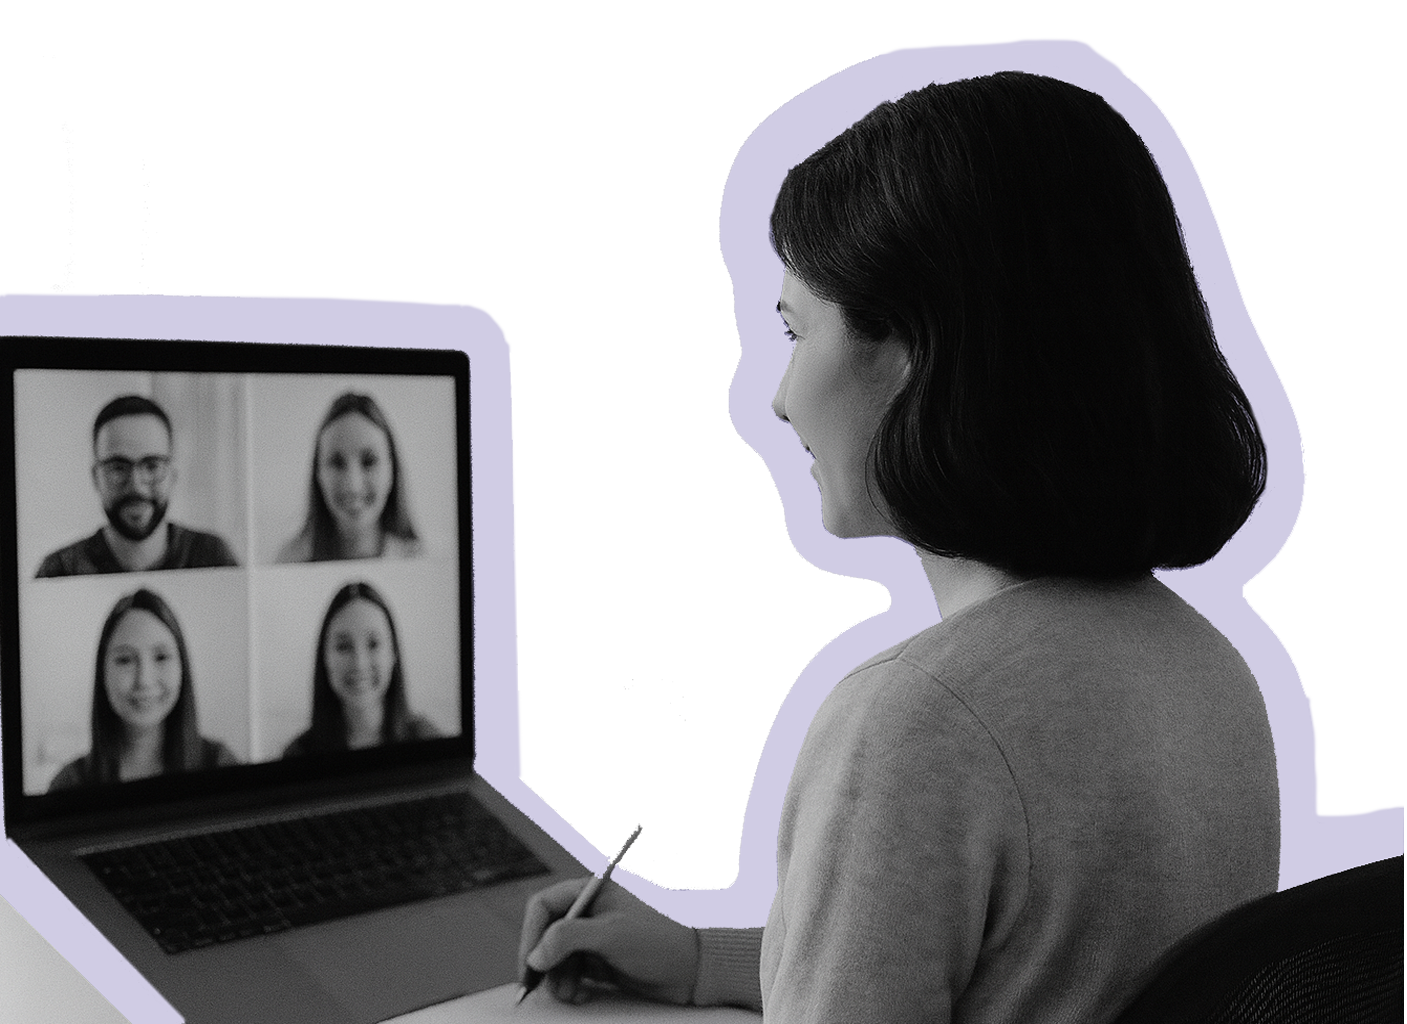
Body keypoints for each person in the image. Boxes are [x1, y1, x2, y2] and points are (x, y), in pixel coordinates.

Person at [517, 72, 1280, 1021]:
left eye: (796, 331)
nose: (780, 395)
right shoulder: (1205, 673)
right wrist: (703, 958)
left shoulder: (916, 725)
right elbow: (1015, 966)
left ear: (917, 348)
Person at [49, 588, 239, 790]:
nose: (144, 681)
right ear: (102, 673)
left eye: (161, 657)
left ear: (182, 667)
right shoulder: (69, 783)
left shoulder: (219, 763)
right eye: (125, 659)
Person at [36, 395, 240, 577]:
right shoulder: (60, 570)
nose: (136, 486)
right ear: (95, 478)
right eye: (118, 468)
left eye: (152, 466)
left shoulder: (211, 557)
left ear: (173, 476)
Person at [281, 582, 441, 757]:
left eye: (373, 644)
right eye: (343, 646)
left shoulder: (429, 741)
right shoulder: (297, 755)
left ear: (393, 653)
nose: (359, 663)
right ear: (324, 657)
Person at [276, 393, 422, 563]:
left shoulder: (424, 562)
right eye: (337, 463)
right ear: (318, 473)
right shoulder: (286, 565)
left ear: (392, 468)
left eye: (369, 461)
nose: (353, 486)